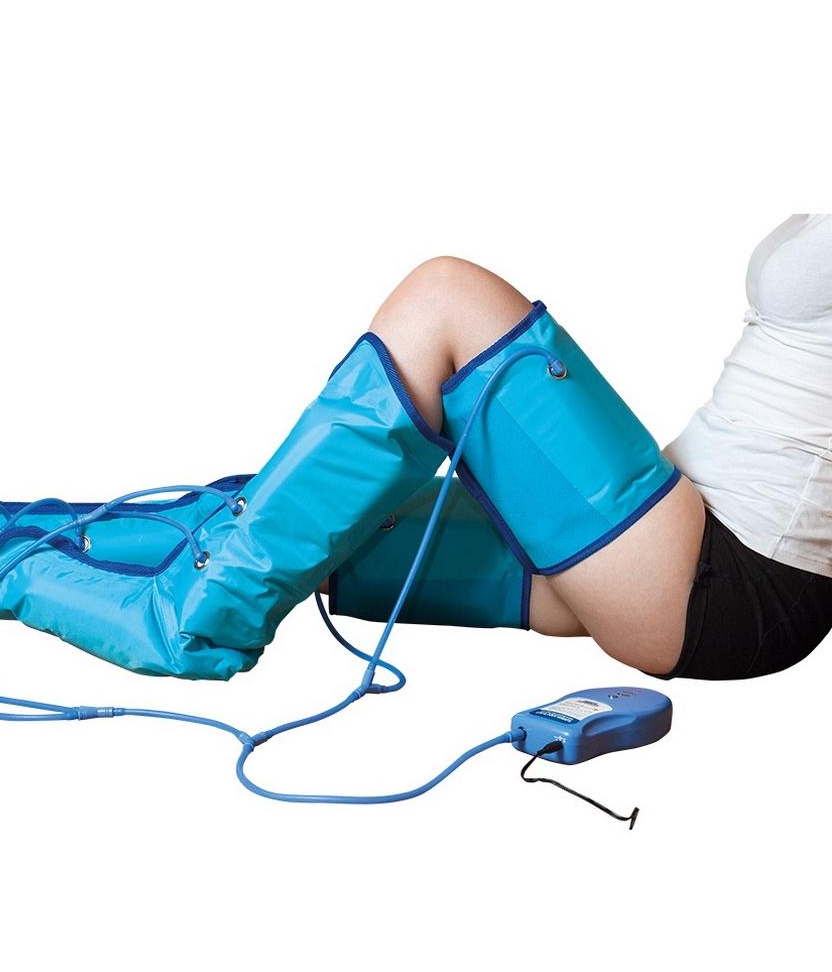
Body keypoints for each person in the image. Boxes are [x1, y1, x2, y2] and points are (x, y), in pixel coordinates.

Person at [328, 214, 831, 680]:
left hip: (738, 576)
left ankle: (263, 605)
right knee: (334, 530)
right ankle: (269, 578)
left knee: (447, 295)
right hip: (677, 528)